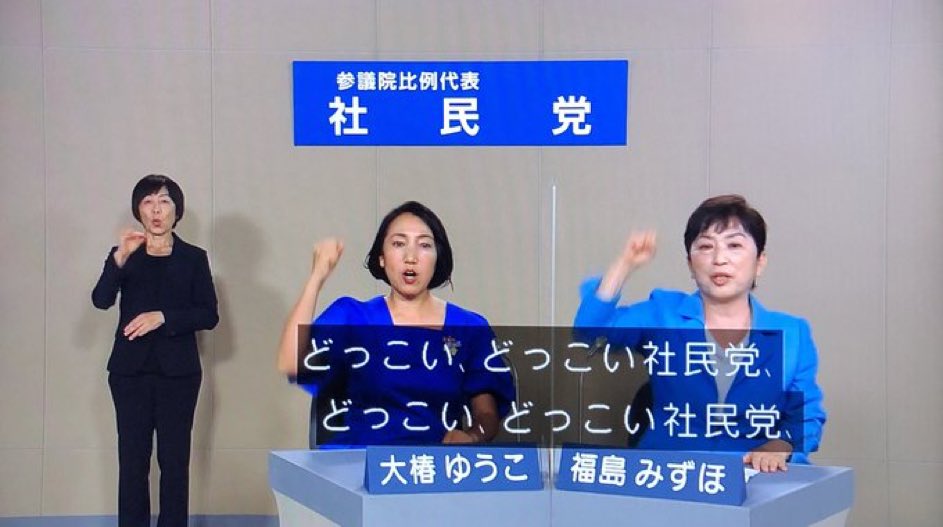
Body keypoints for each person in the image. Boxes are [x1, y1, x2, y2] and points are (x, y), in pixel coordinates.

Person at [574, 195, 825, 472]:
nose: (719, 259)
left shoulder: (791, 333)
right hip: (667, 474)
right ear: (691, 265)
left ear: (759, 262)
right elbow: (589, 331)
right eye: (705, 246)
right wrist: (624, 264)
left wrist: (779, 446)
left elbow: (805, 414)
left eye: (734, 245)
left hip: (751, 477)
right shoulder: (664, 314)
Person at [277, 201, 515, 446]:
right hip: (359, 461)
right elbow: (290, 363)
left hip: (434, 462)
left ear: (438, 257)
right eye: (399, 244)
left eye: (424, 245)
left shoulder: (469, 326)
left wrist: (472, 436)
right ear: (381, 258)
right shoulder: (353, 316)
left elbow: (486, 413)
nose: (411, 257)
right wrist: (317, 277)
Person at [92, 175, 218, 526]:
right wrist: (119, 258)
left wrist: (163, 317)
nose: (156, 210)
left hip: (179, 375)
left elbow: (209, 314)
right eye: (148, 202)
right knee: (132, 461)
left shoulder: (193, 258)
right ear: (138, 211)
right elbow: (101, 300)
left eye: (164, 201)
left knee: (174, 462)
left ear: (177, 210)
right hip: (129, 373)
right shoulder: (125, 254)